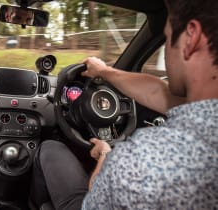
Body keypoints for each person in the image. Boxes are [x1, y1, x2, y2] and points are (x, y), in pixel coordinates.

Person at [30, 0, 218, 209]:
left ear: (191, 37)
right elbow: (157, 91)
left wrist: (105, 154)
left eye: (166, 39)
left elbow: (95, 198)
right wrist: (103, 72)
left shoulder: (141, 160)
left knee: (49, 148)